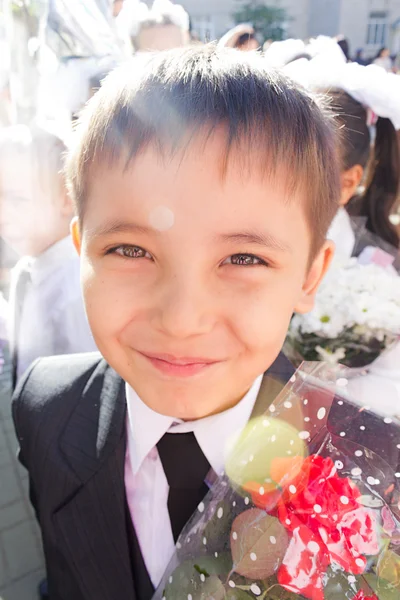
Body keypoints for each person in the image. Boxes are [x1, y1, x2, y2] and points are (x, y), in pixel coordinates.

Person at [12, 45, 340, 600]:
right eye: (130, 250)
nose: (182, 320)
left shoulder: (368, 465)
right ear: (81, 250)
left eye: (243, 259)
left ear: (309, 276)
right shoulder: (47, 407)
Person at [0, 125, 97, 388]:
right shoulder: (27, 270)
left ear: (67, 197)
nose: (3, 216)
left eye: (17, 200)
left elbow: (90, 383)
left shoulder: (76, 288)